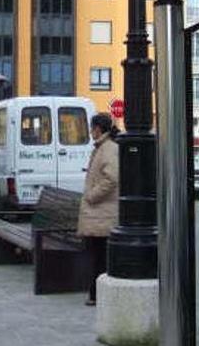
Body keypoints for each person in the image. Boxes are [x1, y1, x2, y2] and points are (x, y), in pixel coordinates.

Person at [77, 112, 120, 306]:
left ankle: (97, 295)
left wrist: (92, 195)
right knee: (97, 255)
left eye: (91, 128)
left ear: (98, 129)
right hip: (99, 214)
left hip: (102, 213)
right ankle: (95, 294)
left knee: (99, 256)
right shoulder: (102, 147)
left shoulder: (108, 149)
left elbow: (111, 178)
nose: (90, 131)